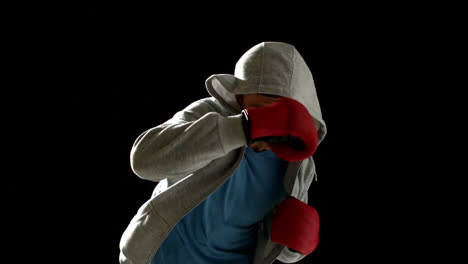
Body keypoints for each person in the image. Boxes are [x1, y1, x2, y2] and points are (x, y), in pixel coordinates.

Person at [119, 42, 327, 264]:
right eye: (261, 109)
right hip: (159, 256)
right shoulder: (208, 113)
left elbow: (277, 244)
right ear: (240, 98)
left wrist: (294, 249)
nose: (271, 126)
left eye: (280, 115)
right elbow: (143, 161)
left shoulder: (298, 163)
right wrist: (241, 128)